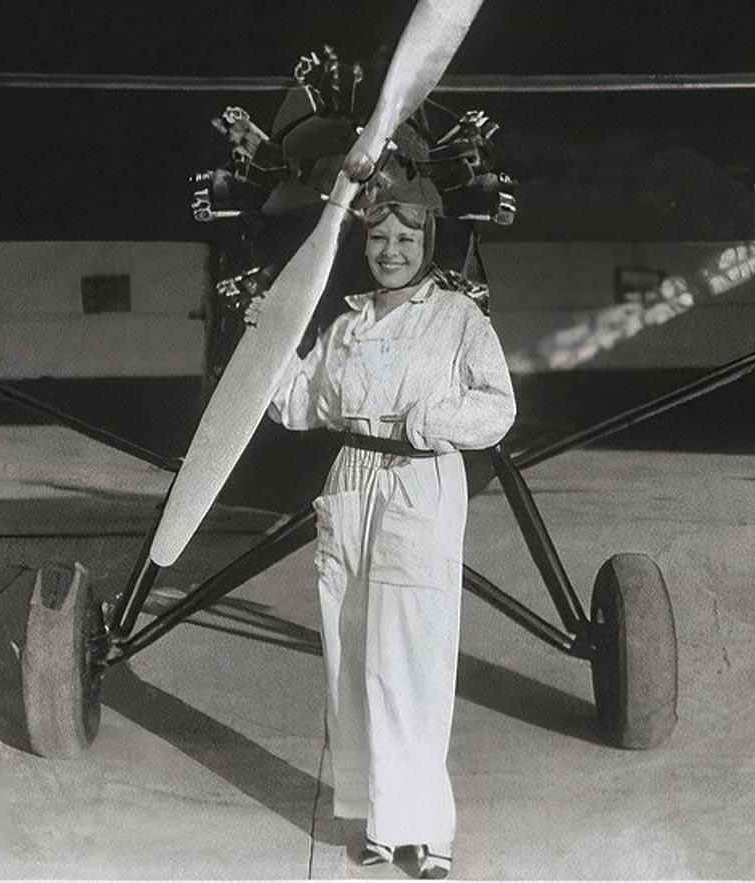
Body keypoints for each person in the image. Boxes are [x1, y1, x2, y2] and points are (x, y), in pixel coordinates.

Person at [260, 166, 515, 878]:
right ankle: (379, 817)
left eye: (406, 236)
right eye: (379, 236)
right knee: (354, 655)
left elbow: (499, 406)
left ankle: (429, 830)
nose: (391, 249)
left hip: (418, 481)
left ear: (428, 240)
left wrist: (434, 420)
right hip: (350, 481)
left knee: (415, 655)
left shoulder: (459, 318)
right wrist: (268, 340)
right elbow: (299, 405)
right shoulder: (346, 324)